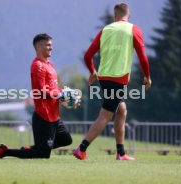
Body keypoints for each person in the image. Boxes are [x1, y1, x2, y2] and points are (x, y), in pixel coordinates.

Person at [73, 3, 151, 161]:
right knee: (106, 115)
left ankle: (121, 153)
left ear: (114, 16)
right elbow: (143, 57)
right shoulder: (133, 29)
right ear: (128, 16)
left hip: (104, 78)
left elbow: (88, 56)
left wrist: (93, 72)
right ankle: (81, 149)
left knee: (121, 110)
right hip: (118, 78)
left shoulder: (105, 30)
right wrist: (147, 76)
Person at [0, 33, 73, 159]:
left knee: (66, 140)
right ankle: (5, 151)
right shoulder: (37, 66)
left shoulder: (50, 65)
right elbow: (40, 90)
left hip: (54, 115)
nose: (51, 48)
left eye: (51, 45)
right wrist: (59, 95)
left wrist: (67, 95)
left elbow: (54, 89)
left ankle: (36, 148)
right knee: (42, 155)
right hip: (44, 116)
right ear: (39, 47)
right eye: (48, 45)